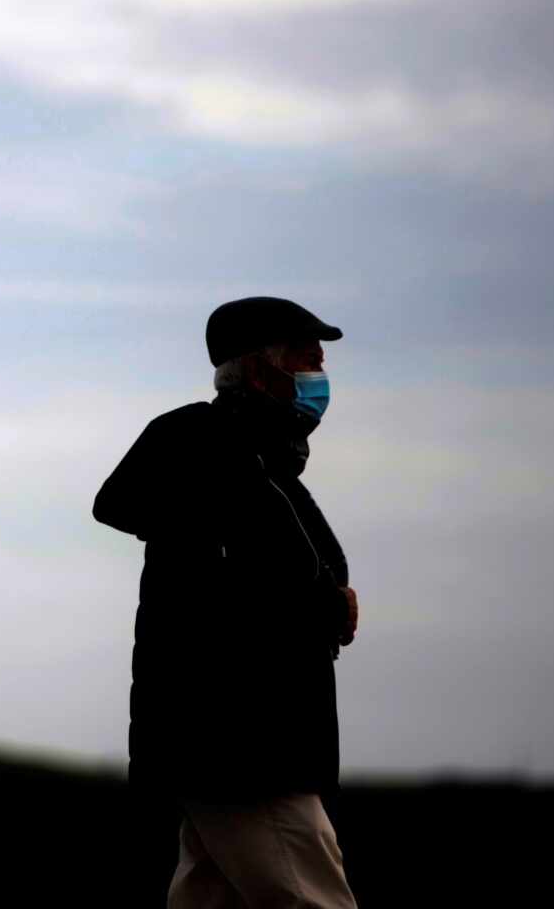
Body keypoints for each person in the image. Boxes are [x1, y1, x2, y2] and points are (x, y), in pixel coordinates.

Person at [93, 296, 360, 908]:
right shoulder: (206, 443)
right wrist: (324, 604)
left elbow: (265, 564)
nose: (320, 377)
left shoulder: (259, 461)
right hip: (244, 745)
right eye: (307, 359)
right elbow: (254, 575)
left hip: (240, 744)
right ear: (260, 370)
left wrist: (325, 600)